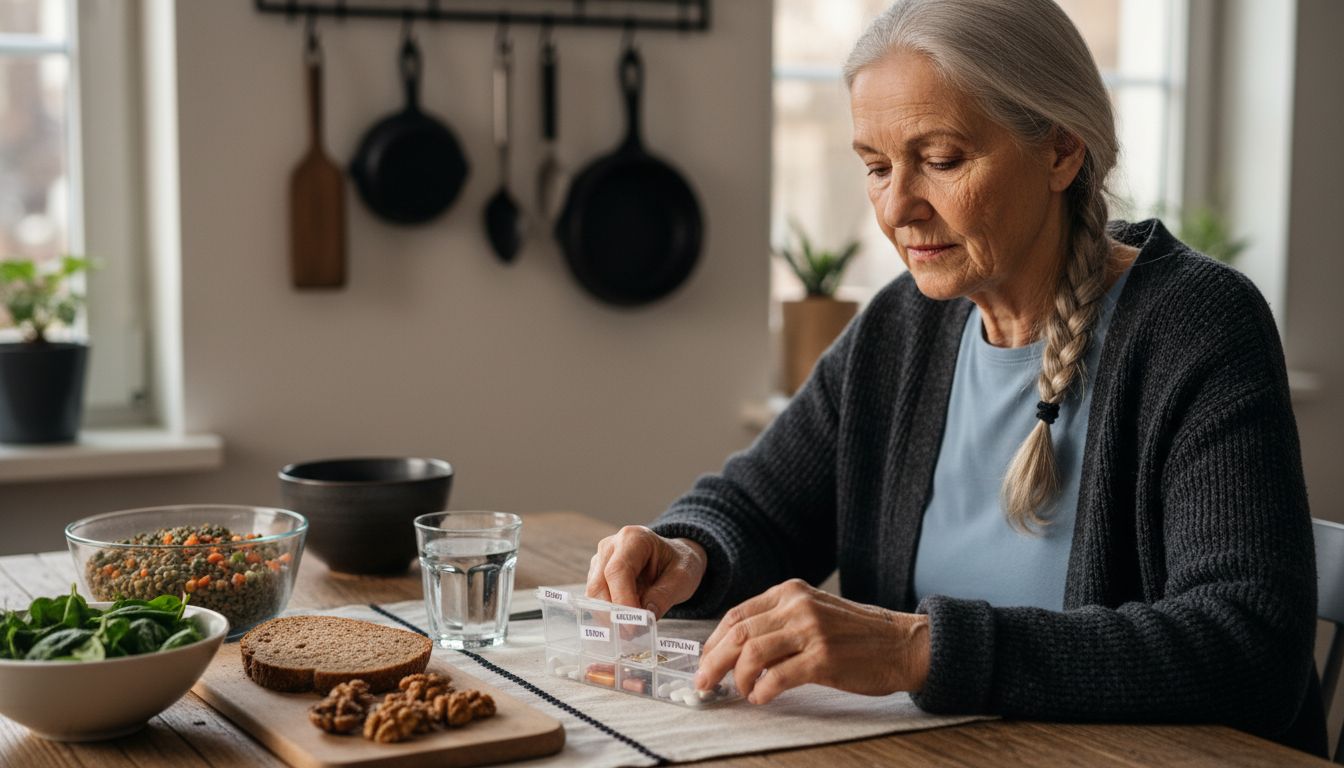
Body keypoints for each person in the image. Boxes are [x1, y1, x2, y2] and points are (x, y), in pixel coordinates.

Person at [585, 0, 1324, 757]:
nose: (898, 207)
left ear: (1061, 151)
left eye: (940, 160)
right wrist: (688, 552)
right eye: (875, 167)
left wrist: (917, 650)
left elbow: (1247, 644)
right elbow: (760, 506)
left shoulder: (1197, 324)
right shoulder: (905, 327)